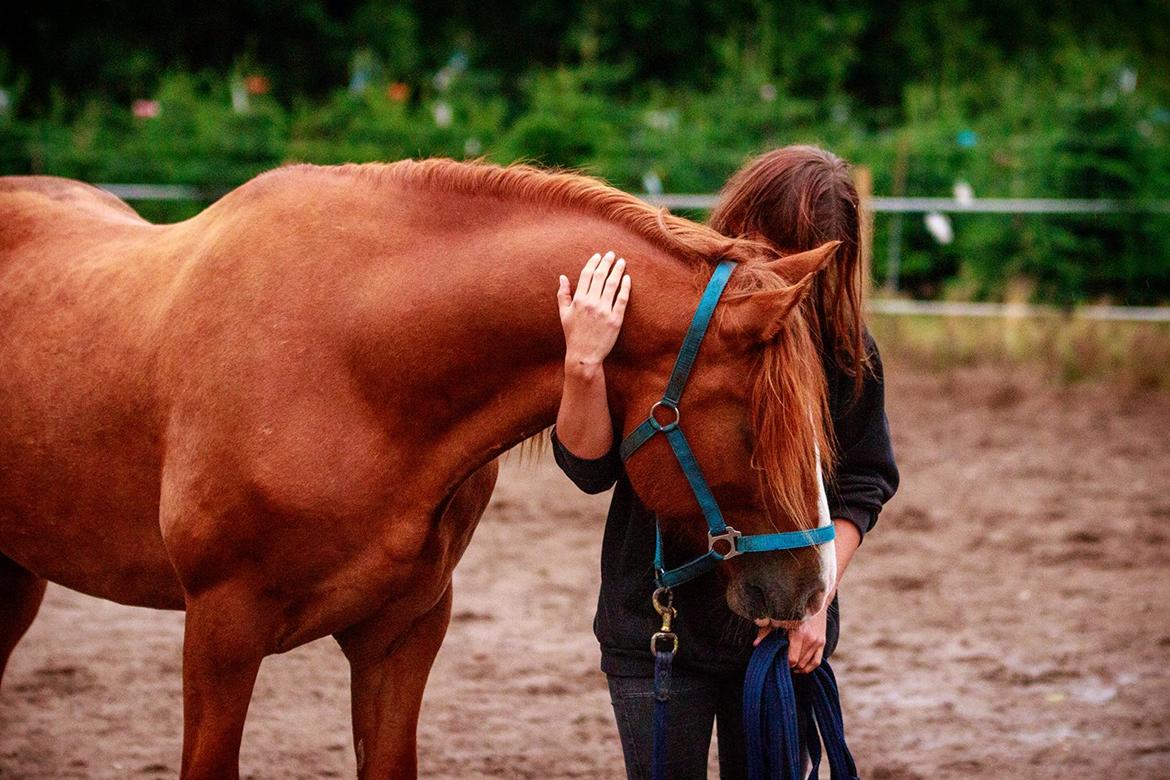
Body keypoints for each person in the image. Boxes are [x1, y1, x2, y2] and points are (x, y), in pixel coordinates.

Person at [551, 145, 899, 779]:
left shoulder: (843, 350)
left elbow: (864, 479)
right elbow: (588, 469)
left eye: (798, 258)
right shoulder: (664, 325)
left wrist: (817, 601)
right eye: (764, 248)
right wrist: (583, 364)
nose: (774, 274)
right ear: (735, 222)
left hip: (781, 626)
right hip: (655, 624)